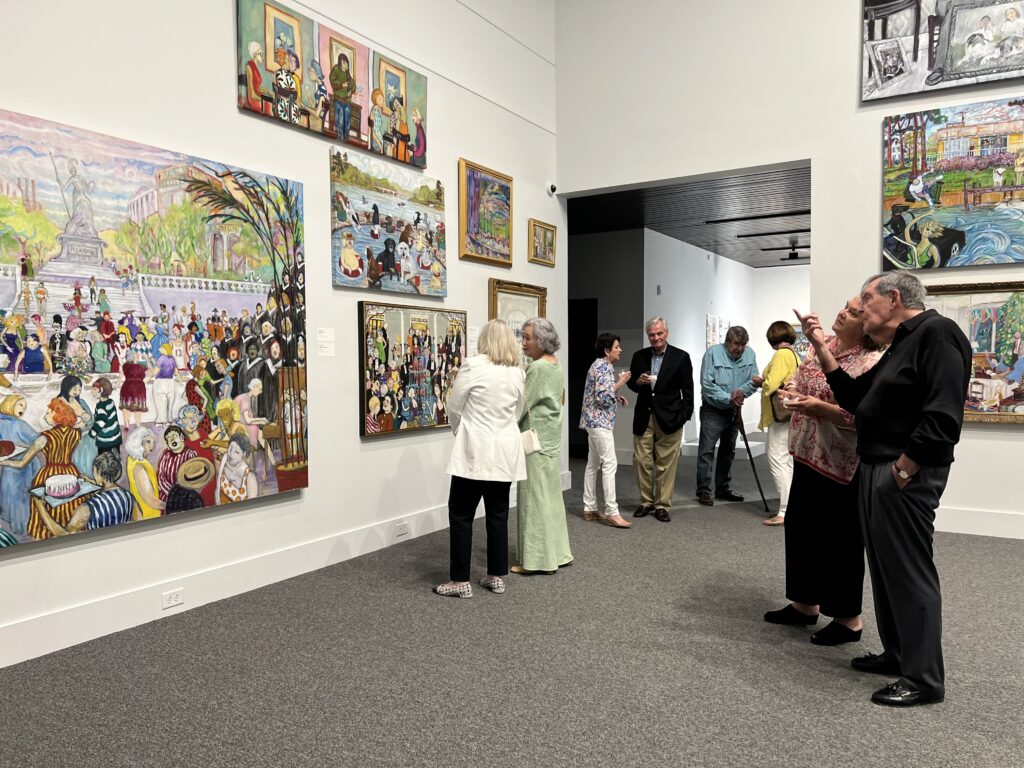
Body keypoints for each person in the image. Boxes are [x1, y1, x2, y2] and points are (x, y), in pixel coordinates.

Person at [796, 271, 971, 707]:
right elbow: (857, 399)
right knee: (887, 570)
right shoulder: (901, 344)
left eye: (865, 299)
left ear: (893, 298)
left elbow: (944, 416)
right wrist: (821, 347)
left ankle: (925, 678)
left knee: (910, 573)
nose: (859, 308)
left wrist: (905, 470)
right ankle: (898, 655)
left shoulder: (938, 333)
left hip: (902, 472)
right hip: (877, 467)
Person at [763, 296, 883, 647]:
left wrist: (820, 408)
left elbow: (863, 417)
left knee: (840, 541)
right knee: (802, 530)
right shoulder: (824, 345)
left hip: (842, 464)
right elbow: (802, 380)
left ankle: (848, 620)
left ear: (867, 325)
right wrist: (793, 393)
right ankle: (804, 604)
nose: (842, 312)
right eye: (845, 306)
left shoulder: (871, 361)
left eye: (853, 312)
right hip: (806, 453)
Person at [434, 319, 525, 598]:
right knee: (498, 515)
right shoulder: (517, 372)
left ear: (484, 340)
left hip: (474, 450)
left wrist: (460, 431)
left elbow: (454, 406)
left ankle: (460, 580)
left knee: (461, 514)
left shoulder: (474, 366)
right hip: (505, 451)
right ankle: (495, 575)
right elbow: (519, 411)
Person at [513, 318, 572, 575]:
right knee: (550, 498)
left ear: (541, 340)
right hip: (549, 438)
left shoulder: (537, 368)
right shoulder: (555, 364)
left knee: (533, 499)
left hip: (534, 440)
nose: (523, 343)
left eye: (528, 338)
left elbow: (522, 405)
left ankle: (538, 560)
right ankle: (558, 553)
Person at [625, 316, 694, 522]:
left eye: (659, 333)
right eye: (652, 335)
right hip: (644, 415)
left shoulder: (681, 357)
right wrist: (638, 382)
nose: (656, 338)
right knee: (641, 461)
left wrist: (683, 416)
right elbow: (633, 386)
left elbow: (688, 391)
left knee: (666, 463)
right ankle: (646, 502)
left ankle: (662, 505)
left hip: (671, 417)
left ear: (667, 333)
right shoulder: (639, 356)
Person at [695, 326, 760, 507]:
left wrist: (740, 394)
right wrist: (729, 398)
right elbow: (707, 384)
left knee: (728, 451)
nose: (740, 349)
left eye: (743, 345)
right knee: (706, 451)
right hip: (713, 410)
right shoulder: (712, 354)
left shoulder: (750, 355)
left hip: (734, 411)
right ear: (727, 342)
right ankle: (704, 490)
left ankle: (723, 488)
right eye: (736, 344)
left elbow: (754, 380)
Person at [580, 333, 631, 528]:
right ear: (607, 350)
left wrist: (616, 395)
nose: (620, 350)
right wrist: (621, 383)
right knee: (610, 464)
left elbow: (600, 393)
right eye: (617, 347)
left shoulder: (602, 365)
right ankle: (612, 511)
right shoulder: (602, 366)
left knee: (593, 464)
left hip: (593, 421)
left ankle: (590, 507)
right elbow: (602, 396)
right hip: (599, 422)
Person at [33, 452, 142, 536]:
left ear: (99, 473)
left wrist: (42, 510)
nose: (93, 474)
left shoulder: (89, 507)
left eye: (94, 472)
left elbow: (65, 536)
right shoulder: (129, 497)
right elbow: (139, 522)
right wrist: (91, 481)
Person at [758, 322, 801, 526]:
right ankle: (790, 506)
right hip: (791, 415)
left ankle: (784, 511)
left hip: (780, 416)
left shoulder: (781, 355)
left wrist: (761, 381)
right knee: (787, 461)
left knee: (777, 459)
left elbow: (772, 384)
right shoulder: (794, 354)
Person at [125, 426, 164, 518]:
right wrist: (173, 505)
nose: (152, 446)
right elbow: (151, 501)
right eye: (148, 442)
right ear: (138, 442)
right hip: (148, 514)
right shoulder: (139, 466)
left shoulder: (132, 459)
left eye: (153, 442)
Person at [329, 53, 355, 140]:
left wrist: (350, 91)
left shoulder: (348, 75)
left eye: (347, 63)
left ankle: (346, 139)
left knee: (347, 121)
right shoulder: (336, 69)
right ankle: (339, 138)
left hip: (347, 101)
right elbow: (332, 81)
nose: (346, 65)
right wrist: (341, 85)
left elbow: (353, 86)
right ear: (340, 63)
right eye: (344, 63)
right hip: (339, 100)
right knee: (339, 120)